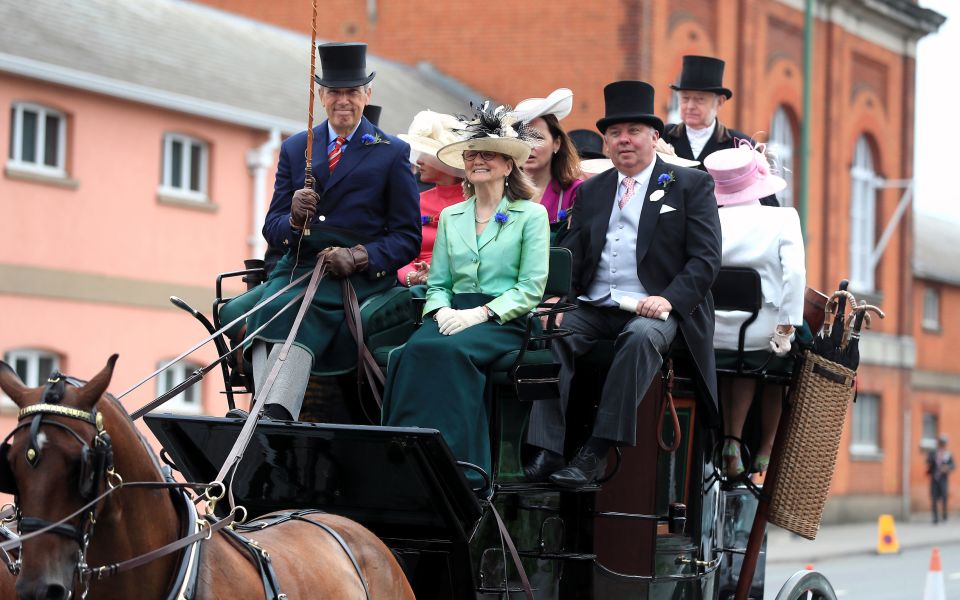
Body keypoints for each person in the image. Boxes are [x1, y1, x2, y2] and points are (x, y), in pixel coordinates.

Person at [524, 81, 722, 487]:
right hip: (595, 305)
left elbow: (706, 260)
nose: (623, 140)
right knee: (546, 330)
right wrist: (556, 297)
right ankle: (546, 448)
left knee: (640, 338)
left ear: (654, 137)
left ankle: (597, 450)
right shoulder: (593, 191)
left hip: (661, 308)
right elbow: (573, 252)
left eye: (633, 131)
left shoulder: (689, 186)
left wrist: (666, 299)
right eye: (614, 133)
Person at [249, 42, 420, 421]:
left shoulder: (390, 151)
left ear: (367, 95)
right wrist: (293, 219)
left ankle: (275, 411)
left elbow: (407, 236)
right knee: (254, 308)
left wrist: (359, 257)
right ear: (322, 96)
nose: (343, 100)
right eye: (335, 92)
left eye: (352, 92)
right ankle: (266, 406)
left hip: (355, 277)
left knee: (286, 309)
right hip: (299, 269)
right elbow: (271, 228)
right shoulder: (296, 148)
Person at [382, 103, 549, 487]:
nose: (477, 160)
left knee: (449, 352)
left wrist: (480, 315)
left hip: (506, 320)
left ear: (508, 165)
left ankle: (457, 469)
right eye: (472, 154)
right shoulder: (454, 216)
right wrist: (439, 309)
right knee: (408, 352)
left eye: (488, 154)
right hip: (451, 313)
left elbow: (530, 289)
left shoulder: (530, 215)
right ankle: (403, 460)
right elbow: (438, 282)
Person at [702, 143, 805, 477]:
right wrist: (787, 327)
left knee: (737, 364)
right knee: (786, 364)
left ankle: (731, 439)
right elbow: (796, 276)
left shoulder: (705, 220)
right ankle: (767, 448)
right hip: (761, 335)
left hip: (710, 335)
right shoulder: (781, 218)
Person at [662, 55, 778, 207]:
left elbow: (767, 201)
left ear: (720, 102)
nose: (690, 106)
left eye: (699, 99)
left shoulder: (739, 145)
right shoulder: (661, 137)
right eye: (685, 98)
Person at [396, 110, 466, 287]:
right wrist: (412, 277)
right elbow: (399, 251)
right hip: (413, 292)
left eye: (426, 153)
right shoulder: (415, 200)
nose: (418, 161)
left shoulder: (477, 203)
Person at [511, 89, 584, 229]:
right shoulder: (502, 192)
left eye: (538, 138)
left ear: (556, 143)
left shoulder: (576, 192)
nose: (529, 146)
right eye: (522, 138)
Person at [928, 434, 955, 524]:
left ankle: (944, 516)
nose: (942, 445)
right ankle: (935, 518)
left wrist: (947, 467)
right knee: (934, 498)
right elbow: (929, 462)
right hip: (935, 479)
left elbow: (953, 465)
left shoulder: (948, 454)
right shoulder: (933, 453)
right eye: (941, 443)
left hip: (943, 480)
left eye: (944, 443)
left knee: (944, 498)